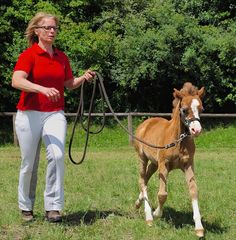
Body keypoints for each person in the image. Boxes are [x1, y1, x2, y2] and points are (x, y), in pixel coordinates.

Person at [11, 12, 95, 223]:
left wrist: (82, 78)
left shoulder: (61, 57)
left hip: (54, 114)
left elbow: (68, 83)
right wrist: (41, 89)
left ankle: (53, 207)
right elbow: (17, 80)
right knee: (29, 162)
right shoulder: (28, 55)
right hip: (29, 114)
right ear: (37, 30)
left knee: (57, 155)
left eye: (54, 28)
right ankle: (26, 206)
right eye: (47, 27)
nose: (52, 31)